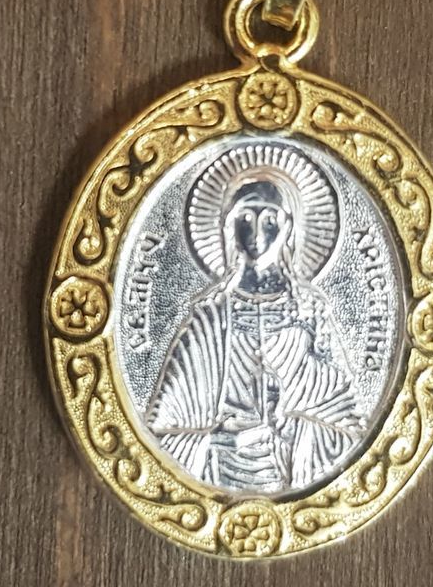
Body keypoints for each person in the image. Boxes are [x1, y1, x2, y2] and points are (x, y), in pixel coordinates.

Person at [146, 166, 363, 494]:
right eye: (245, 219)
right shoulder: (210, 318)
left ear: (288, 227)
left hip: (293, 470)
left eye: (269, 220)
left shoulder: (310, 316)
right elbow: (160, 436)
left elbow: (350, 433)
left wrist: (292, 428)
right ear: (229, 227)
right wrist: (217, 439)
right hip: (218, 474)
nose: (257, 235)